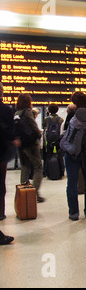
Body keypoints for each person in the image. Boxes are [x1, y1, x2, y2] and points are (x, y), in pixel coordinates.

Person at [63, 91, 86, 220]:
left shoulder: (72, 115)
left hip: (71, 153)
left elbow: (66, 132)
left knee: (72, 183)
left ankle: (73, 213)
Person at [14, 94, 44, 202]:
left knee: (25, 167)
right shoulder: (27, 112)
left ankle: (23, 192)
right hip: (31, 144)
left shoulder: (16, 113)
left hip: (21, 144)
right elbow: (34, 127)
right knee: (38, 167)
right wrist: (39, 136)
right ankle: (33, 193)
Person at [0, 82, 17, 220]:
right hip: (2, 151)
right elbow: (9, 130)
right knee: (0, 183)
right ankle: (0, 213)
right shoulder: (6, 110)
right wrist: (13, 139)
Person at [42, 104, 64, 177]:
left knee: (48, 155)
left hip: (49, 139)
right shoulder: (61, 119)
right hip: (58, 139)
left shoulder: (46, 119)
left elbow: (43, 126)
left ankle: (46, 172)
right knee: (59, 155)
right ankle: (61, 172)